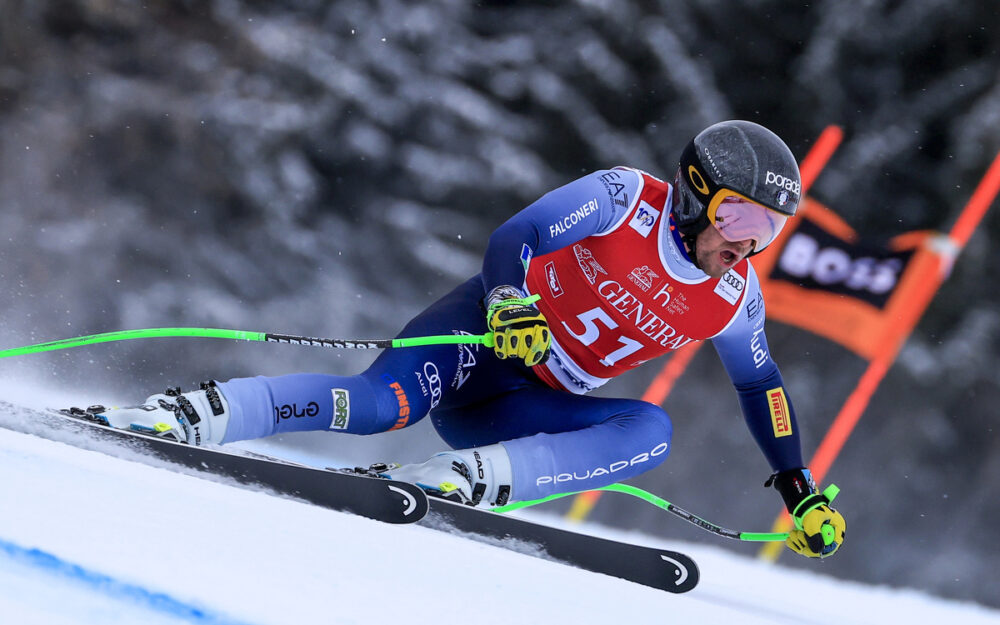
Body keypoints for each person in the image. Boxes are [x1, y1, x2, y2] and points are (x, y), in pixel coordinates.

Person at [93, 120, 846, 559]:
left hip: (521, 408)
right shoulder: (623, 199)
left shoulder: (731, 296)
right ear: (694, 192)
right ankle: (198, 412)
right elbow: (515, 235)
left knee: (650, 429)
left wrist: (796, 483)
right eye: (741, 219)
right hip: (480, 337)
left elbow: (761, 386)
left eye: (769, 232)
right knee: (378, 403)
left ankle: (467, 477)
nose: (747, 246)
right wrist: (514, 300)